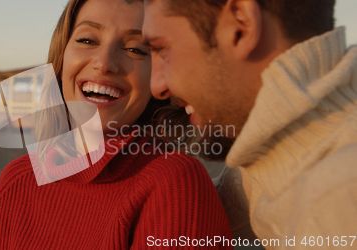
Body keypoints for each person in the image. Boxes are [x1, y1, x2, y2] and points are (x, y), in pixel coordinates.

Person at [0, 0, 233, 249]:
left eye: (135, 49)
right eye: (87, 40)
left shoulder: (174, 181)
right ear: (61, 59)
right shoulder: (17, 179)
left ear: (159, 75)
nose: (104, 63)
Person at [142, 0, 357, 248]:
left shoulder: (339, 195)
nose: (157, 86)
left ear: (242, 26)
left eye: (163, 50)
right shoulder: (266, 164)